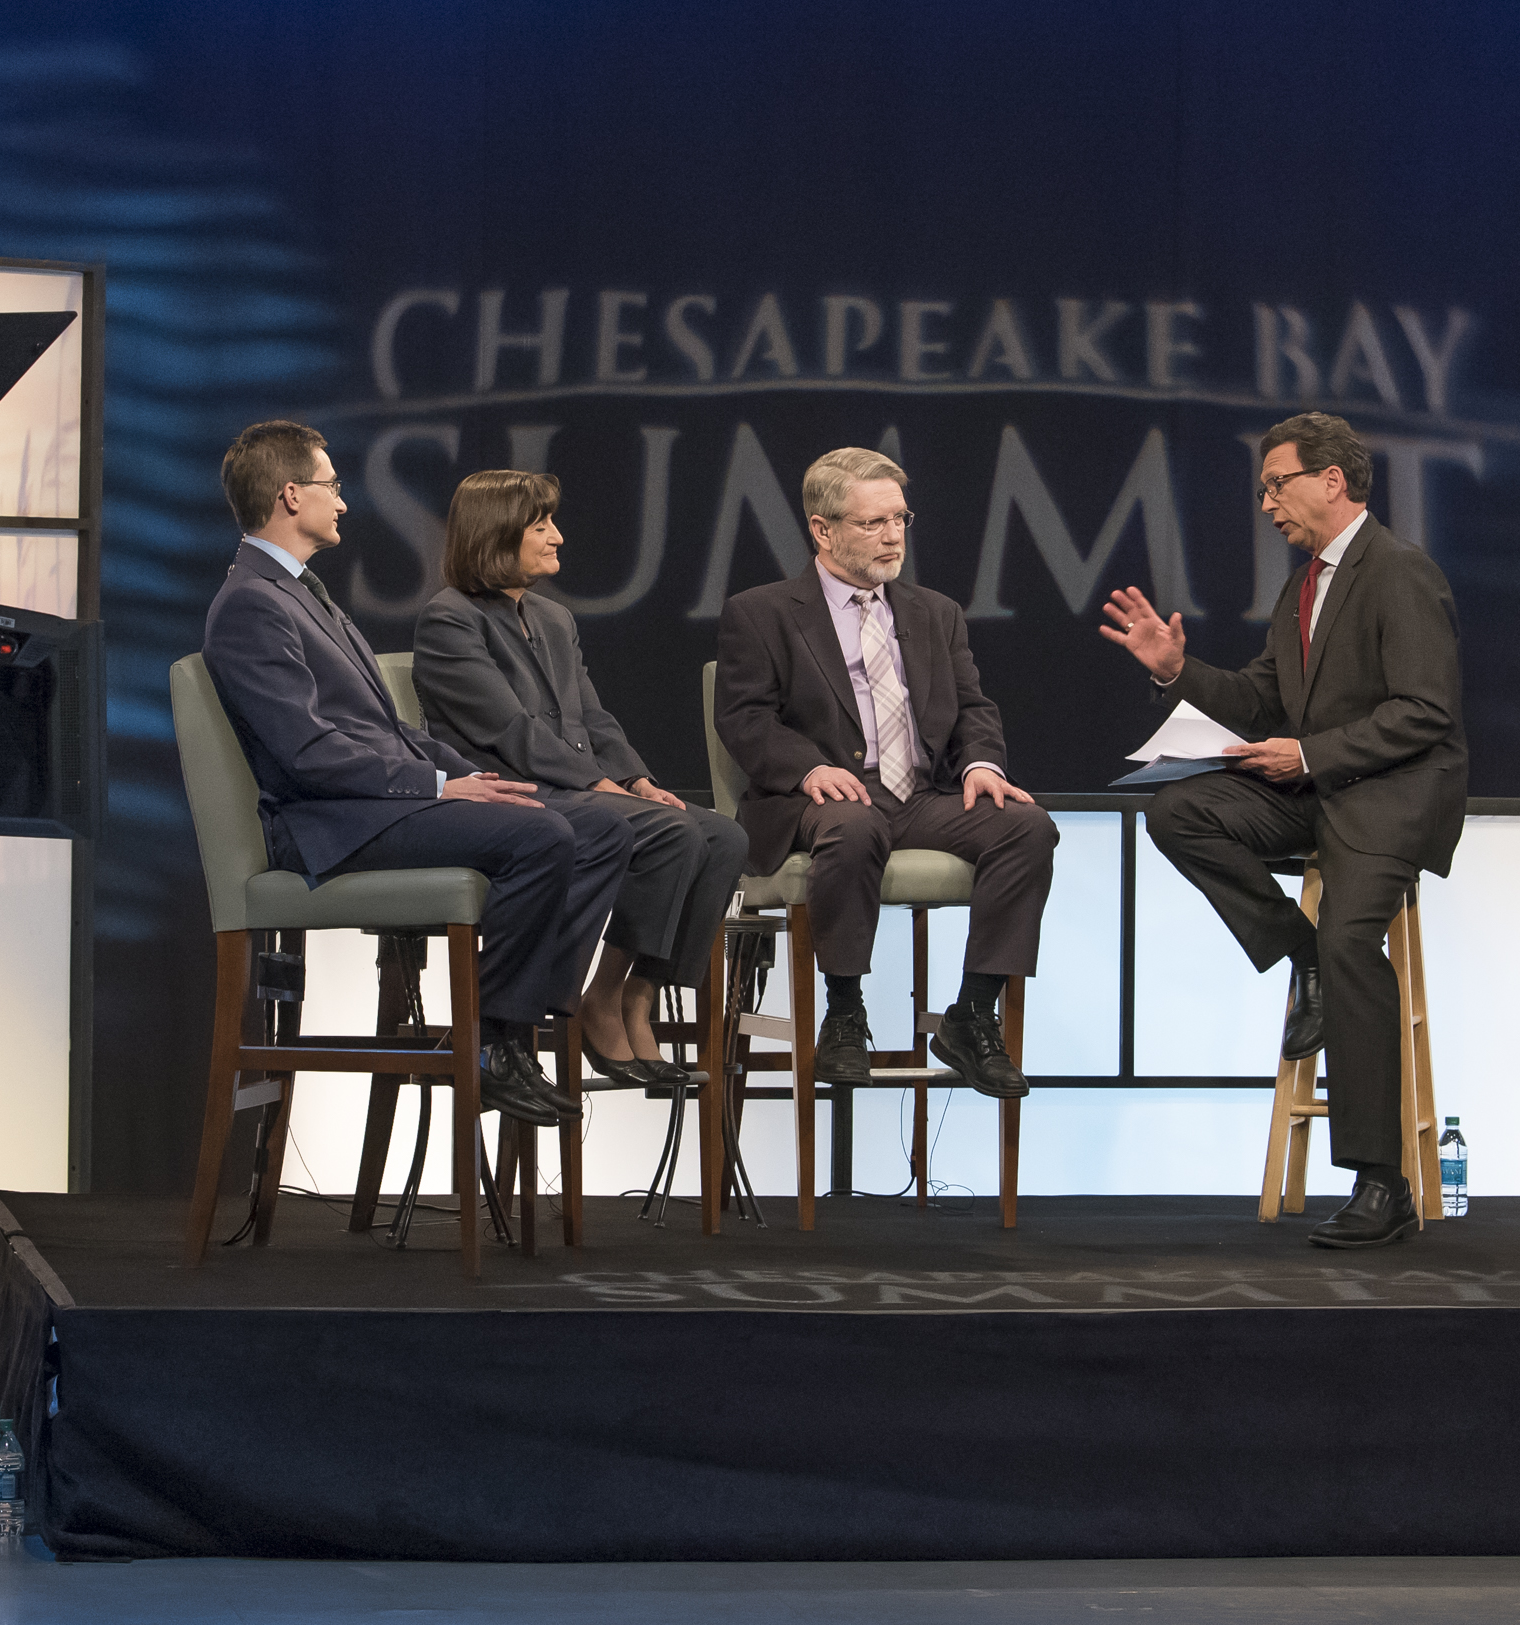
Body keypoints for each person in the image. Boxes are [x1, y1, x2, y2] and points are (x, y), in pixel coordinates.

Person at [1099, 411, 1467, 1251]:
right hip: (1316, 786)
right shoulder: (1304, 585)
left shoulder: (1401, 574)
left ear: (1331, 481)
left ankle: (1383, 1185)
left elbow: (1425, 713)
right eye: (1263, 489)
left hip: (1388, 796)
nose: (1267, 504)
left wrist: (1308, 753)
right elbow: (1265, 699)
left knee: (1351, 947)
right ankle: (1299, 960)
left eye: (1278, 485)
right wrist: (1173, 671)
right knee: (1179, 810)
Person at [201, 420, 632, 1125]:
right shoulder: (251, 603)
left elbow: (392, 729)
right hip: (331, 824)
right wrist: (434, 787)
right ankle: (495, 1041)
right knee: (541, 838)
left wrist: (474, 778)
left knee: (604, 829)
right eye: (332, 487)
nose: (342, 503)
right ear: (289, 495)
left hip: (380, 804)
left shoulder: (304, 593)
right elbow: (306, 752)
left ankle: (520, 1024)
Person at [712, 445, 1057, 1096]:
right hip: (823, 800)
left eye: (900, 518)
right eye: (873, 523)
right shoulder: (762, 613)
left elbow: (973, 707)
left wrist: (981, 763)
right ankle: (844, 1012)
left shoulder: (935, 613)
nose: (893, 535)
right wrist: (808, 767)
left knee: (1028, 827)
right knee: (853, 826)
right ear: (824, 529)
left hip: (920, 794)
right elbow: (745, 718)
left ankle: (972, 1015)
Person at [411, 469, 749, 1090]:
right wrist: (599, 787)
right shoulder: (450, 621)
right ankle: (591, 1001)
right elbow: (513, 732)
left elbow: (592, 717)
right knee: (672, 836)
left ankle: (631, 996)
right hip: (513, 794)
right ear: (497, 534)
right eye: (541, 526)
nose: (558, 537)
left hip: (576, 787)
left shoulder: (554, 618)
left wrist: (637, 780)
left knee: (723, 837)